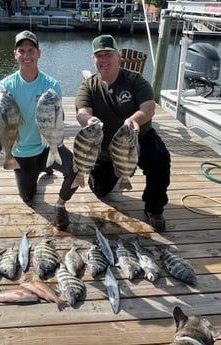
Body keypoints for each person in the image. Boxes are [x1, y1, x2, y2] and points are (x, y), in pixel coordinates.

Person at [75, 34, 171, 232]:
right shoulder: (88, 86)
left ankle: (154, 209)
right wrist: (90, 120)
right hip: (104, 150)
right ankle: (117, 172)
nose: (103, 60)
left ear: (118, 56)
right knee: (100, 190)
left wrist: (134, 119)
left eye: (108, 54)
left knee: (160, 160)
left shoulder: (134, 80)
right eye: (98, 56)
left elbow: (149, 106)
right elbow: (82, 113)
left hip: (137, 139)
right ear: (94, 59)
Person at [0, 30, 77, 229]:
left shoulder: (52, 86)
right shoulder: (5, 86)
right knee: (27, 198)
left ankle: (60, 205)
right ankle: (41, 171)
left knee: (76, 169)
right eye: (21, 51)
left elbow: (59, 122)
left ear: (39, 53)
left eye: (31, 50)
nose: (26, 56)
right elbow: (2, 123)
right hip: (22, 152)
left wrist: (55, 143)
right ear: (15, 54)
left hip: (47, 147)